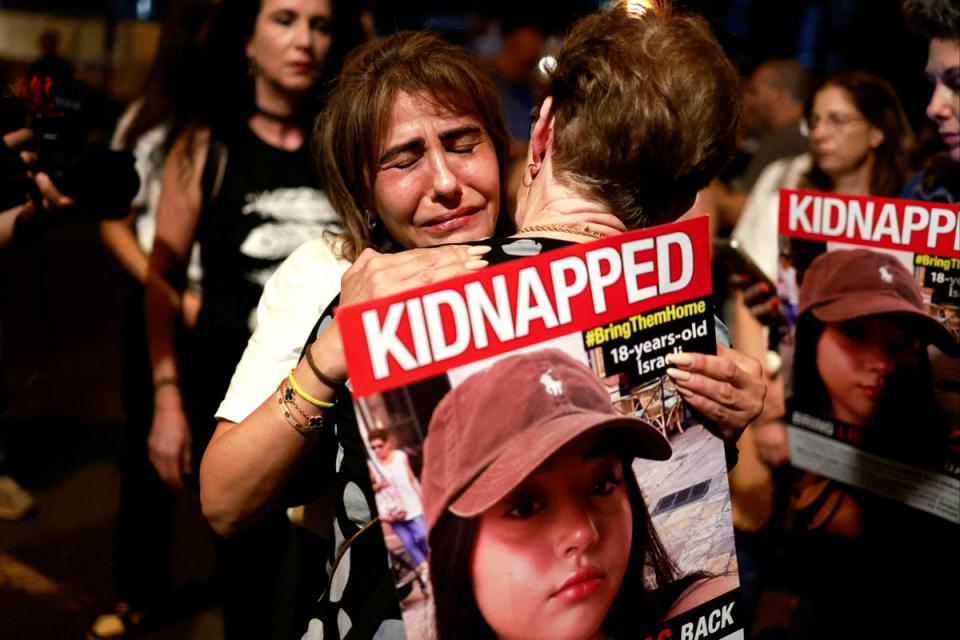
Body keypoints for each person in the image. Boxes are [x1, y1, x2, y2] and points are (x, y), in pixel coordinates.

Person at [201, 4, 764, 636]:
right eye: (403, 159)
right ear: (363, 189)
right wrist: (328, 359)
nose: (445, 183)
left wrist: (720, 422)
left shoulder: (586, 281)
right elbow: (225, 502)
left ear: (518, 142)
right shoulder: (329, 275)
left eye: (463, 144)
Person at [144, 0, 361, 636]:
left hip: (325, 412)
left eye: (321, 25)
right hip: (233, 400)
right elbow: (159, 277)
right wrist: (166, 399)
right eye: (285, 20)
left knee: (314, 582)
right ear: (248, 41)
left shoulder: (339, 146)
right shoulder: (206, 146)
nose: (304, 41)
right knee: (246, 589)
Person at [423, 349, 738, 640]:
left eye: (601, 485)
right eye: (524, 507)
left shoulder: (704, 611)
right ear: (455, 551)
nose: (584, 533)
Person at [91, 1, 218, 635]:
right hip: (158, 311)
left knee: (230, 458)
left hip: (228, 319)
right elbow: (112, 219)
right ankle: (134, 593)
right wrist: (164, 285)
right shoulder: (149, 121)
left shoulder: (243, 121)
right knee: (149, 459)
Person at [786, 249, 958, 638]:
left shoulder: (937, 445)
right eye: (853, 332)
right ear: (814, 334)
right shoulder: (781, 425)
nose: (881, 362)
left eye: (901, 343)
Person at [367, 429, 428, 574]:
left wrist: (423, 497)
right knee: (408, 542)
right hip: (392, 510)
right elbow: (370, 489)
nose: (377, 450)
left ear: (388, 444)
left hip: (412, 504)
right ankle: (425, 568)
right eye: (373, 447)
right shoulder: (372, 464)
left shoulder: (401, 457)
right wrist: (379, 486)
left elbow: (412, 478)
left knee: (422, 535)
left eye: (380, 445)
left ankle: (429, 560)